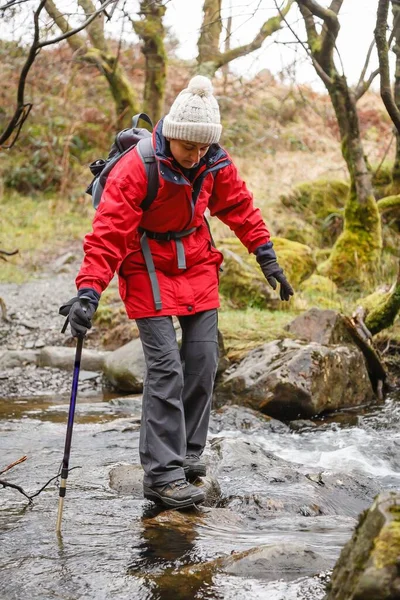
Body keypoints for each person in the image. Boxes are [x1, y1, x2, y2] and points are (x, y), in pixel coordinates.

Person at [61, 75, 293, 510]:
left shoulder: (212, 162)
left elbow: (239, 206)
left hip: (196, 260)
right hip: (145, 263)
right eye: (190, 147)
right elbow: (108, 233)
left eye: (205, 147)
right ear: (172, 134)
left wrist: (267, 257)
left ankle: (188, 454)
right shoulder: (138, 167)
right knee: (166, 369)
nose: (197, 155)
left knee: (203, 359)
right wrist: (89, 292)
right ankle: (162, 475)